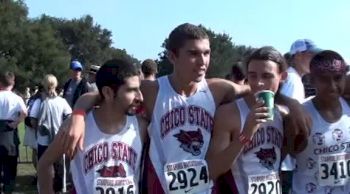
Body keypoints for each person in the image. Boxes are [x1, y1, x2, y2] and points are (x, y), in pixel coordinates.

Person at [63, 23, 310, 194]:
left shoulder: (217, 89)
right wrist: (78, 115)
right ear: (171, 56)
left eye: (206, 53)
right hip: (163, 185)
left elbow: (261, 90)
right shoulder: (152, 90)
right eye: (193, 54)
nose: (202, 61)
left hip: (206, 186)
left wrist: (291, 104)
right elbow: (100, 94)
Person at [38, 59, 147, 194]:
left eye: (139, 89)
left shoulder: (141, 127)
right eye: (131, 90)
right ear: (108, 93)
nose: (140, 97)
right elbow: (45, 163)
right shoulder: (77, 127)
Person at [206, 46, 288, 193]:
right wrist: (246, 134)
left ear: (282, 77)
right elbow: (212, 170)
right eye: (252, 76)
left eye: (267, 76)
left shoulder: (283, 114)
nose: (259, 83)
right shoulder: (229, 114)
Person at [291, 50, 350, 193]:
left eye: (337, 78)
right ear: (311, 80)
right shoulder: (300, 115)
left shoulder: (348, 105)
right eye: (324, 79)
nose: (332, 86)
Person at [279, 39, 321, 194]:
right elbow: (285, 116)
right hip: (285, 162)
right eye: (310, 55)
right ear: (297, 56)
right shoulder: (292, 80)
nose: (314, 60)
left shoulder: (293, 78)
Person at [30, 74, 72, 192]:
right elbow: (69, 117)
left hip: (43, 140)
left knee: (44, 166)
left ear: (44, 84)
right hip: (58, 139)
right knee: (58, 167)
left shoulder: (39, 101)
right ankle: (58, 189)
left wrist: (39, 129)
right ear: (56, 85)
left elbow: (33, 120)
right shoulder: (62, 101)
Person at [0, 71, 27, 194]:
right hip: (10, 131)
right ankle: (8, 189)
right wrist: (16, 123)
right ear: (13, 83)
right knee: (10, 165)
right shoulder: (16, 98)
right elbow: (24, 113)